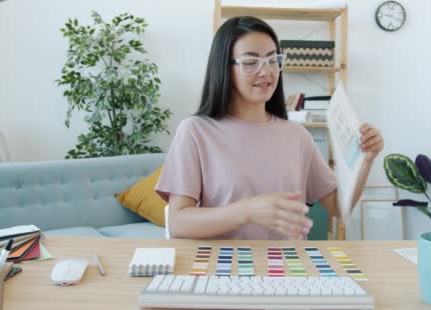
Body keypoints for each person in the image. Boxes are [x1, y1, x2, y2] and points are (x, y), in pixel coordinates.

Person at [155, 16, 384, 240]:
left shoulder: (297, 136)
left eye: (273, 60)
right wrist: (247, 211)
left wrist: (365, 160)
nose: (266, 72)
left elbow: (338, 208)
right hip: (224, 269)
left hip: (288, 268)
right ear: (224, 68)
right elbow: (178, 223)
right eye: (250, 62)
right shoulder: (196, 131)